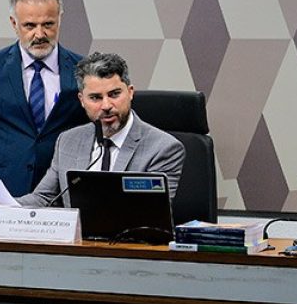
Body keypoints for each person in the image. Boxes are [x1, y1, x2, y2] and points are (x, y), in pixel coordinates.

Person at [0, 0, 86, 196]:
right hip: (1, 192)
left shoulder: (82, 69)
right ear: (13, 23)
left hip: (62, 192)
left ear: (60, 19)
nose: (39, 34)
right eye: (30, 26)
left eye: (48, 24)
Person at [13, 52, 185, 209]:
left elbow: (151, 213)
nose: (106, 105)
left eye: (114, 94)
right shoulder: (68, 140)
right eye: (95, 97)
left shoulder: (163, 148)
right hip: (76, 242)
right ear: (82, 100)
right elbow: (43, 198)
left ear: (130, 92)